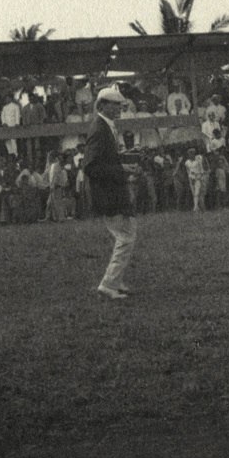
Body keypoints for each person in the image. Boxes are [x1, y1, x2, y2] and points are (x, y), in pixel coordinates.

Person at [86, 87, 140, 299]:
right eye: (114, 104)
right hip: (109, 194)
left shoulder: (105, 127)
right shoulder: (100, 129)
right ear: (102, 106)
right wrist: (122, 169)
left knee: (126, 233)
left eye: (119, 104)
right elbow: (90, 166)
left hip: (112, 191)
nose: (119, 108)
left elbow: (103, 161)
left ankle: (115, 280)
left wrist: (124, 163)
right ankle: (109, 283)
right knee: (126, 236)